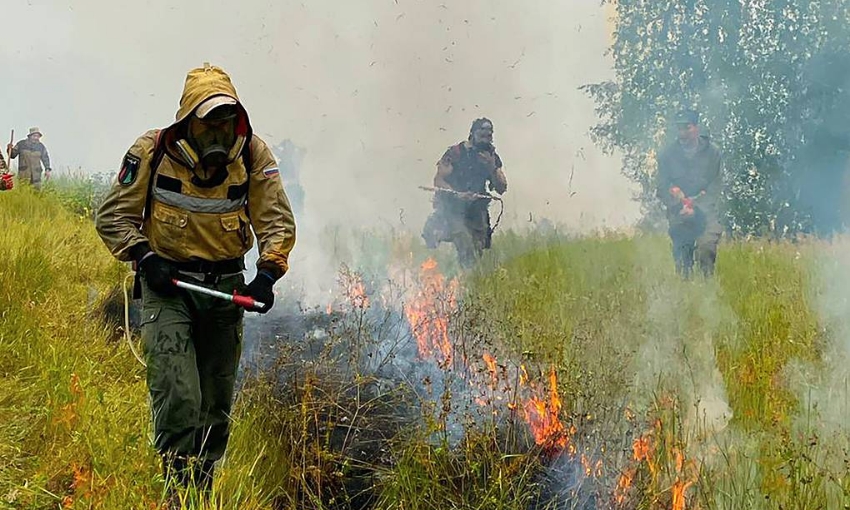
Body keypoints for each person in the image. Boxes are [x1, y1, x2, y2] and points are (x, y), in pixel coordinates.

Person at [94, 63, 296, 499]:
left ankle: (200, 491)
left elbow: (276, 221)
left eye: (227, 121)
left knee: (215, 405)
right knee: (179, 395)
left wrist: (267, 274)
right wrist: (146, 257)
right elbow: (113, 217)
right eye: (210, 123)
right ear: (188, 118)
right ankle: (174, 488)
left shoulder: (253, 153)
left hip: (225, 291)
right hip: (168, 290)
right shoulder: (152, 150)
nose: (220, 133)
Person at [422, 118, 507, 267]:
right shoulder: (456, 153)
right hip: (453, 209)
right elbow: (439, 180)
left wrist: (492, 167)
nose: (485, 139)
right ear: (472, 134)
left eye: (489, 136)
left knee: (474, 255)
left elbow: (501, 187)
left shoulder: (491, 157)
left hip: (476, 212)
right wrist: (456, 194)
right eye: (481, 135)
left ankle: (464, 282)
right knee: (463, 241)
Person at [656, 109, 723, 277]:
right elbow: (661, 187)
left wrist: (696, 208)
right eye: (679, 128)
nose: (682, 133)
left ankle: (706, 290)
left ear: (697, 128)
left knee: (707, 248)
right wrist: (677, 201)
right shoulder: (667, 155)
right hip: (679, 212)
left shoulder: (712, 152)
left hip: (706, 211)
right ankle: (685, 292)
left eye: (687, 128)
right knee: (682, 255)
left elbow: (715, 187)